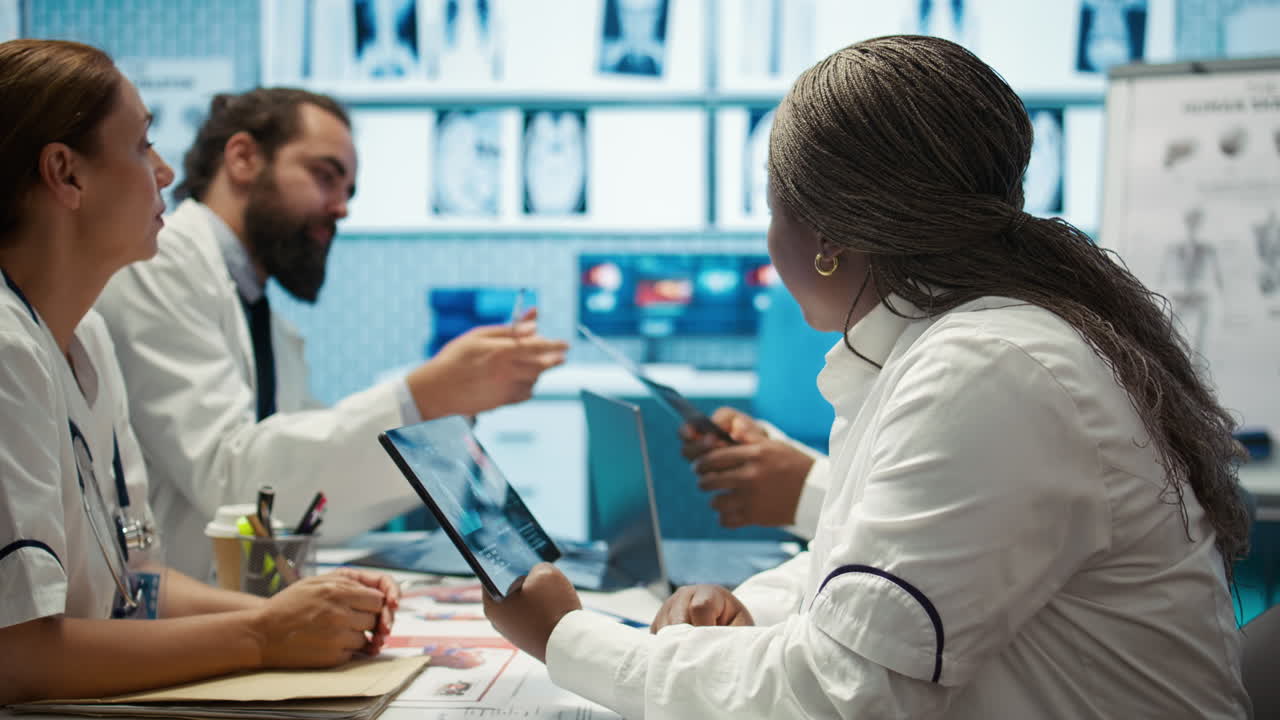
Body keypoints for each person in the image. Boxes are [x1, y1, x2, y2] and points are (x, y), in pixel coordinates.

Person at [483, 35, 1252, 718]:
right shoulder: (962, 346)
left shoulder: (988, 370)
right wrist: (742, 608)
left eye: (770, 202)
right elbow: (865, 579)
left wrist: (569, 639)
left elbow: (847, 696)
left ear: (826, 237)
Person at [0, 39, 400, 704]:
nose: (161, 172)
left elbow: (137, 584)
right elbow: (16, 655)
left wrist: (307, 611)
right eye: (139, 146)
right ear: (65, 174)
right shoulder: (7, 351)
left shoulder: (88, 340)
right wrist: (264, 636)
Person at [96, 87, 568, 579]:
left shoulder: (257, 308)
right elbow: (232, 482)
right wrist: (422, 397)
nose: (341, 207)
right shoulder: (160, 264)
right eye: (325, 177)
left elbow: (306, 494)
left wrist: (440, 406)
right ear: (242, 158)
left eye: (349, 192)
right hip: (167, 615)